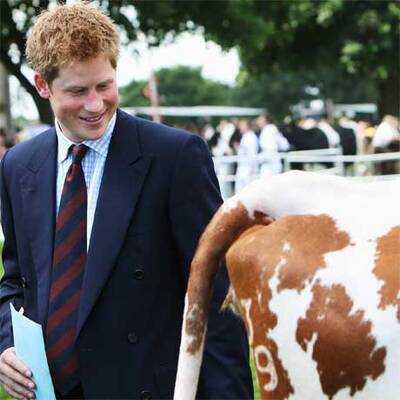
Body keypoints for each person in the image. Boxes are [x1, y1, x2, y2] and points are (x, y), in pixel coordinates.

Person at [0, 3, 253, 399]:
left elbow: (215, 290)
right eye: (77, 91)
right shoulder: (18, 166)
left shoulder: (175, 156)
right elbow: (15, 281)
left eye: (105, 85)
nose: (95, 104)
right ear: (42, 85)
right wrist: (6, 346)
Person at [234, 119, 258, 193]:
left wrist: (252, 169)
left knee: (247, 192)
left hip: (247, 169)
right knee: (240, 192)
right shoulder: (246, 136)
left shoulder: (250, 136)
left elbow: (252, 153)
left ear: (247, 126)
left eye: (242, 125)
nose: (240, 127)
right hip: (243, 167)